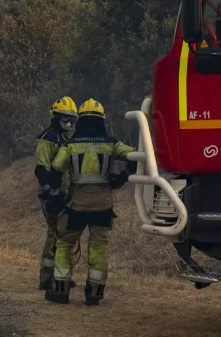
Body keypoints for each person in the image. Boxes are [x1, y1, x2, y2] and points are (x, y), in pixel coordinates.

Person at [46, 98, 136, 306]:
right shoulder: (112, 143)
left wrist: (55, 195)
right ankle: (94, 293)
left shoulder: (70, 145)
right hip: (103, 206)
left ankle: (60, 290)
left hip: (76, 206)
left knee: (64, 243)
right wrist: (121, 178)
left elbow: (55, 170)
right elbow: (136, 156)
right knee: (99, 247)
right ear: (102, 120)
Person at [34, 96, 78, 290]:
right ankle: (48, 277)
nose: (68, 122)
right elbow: (42, 169)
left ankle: (54, 275)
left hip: (63, 193)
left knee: (60, 234)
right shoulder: (48, 138)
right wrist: (51, 193)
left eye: (71, 119)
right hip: (53, 194)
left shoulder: (63, 138)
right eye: (65, 117)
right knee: (56, 234)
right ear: (56, 116)